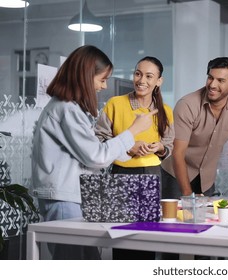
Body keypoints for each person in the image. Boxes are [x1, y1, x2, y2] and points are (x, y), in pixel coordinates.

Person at [30, 45, 157, 260]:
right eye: (102, 79)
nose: (104, 86)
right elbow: (96, 156)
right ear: (85, 77)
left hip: (72, 197)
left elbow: (90, 152)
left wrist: (130, 148)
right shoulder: (66, 109)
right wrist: (132, 131)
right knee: (70, 264)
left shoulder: (70, 108)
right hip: (64, 200)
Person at [95, 56, 173, 260]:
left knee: (146, 239)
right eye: (138, 74)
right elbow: (99, 139)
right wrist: (129, 146)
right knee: (122, 238)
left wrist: (160, 147)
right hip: (120, 175)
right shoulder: (115, 104)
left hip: (152, 176)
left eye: (149, 76)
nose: (141, 80)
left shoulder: (166, 111)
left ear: (159, 81)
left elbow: (169, 146)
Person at [161, 57, 228, 199]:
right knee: (176, 219)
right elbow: (178, 153)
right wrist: (189, 197)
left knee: (207, 219)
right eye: (210, 78)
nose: (212, 84)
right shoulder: (187, 105)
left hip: (206, 180)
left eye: (221, 80)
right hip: (175, 176)